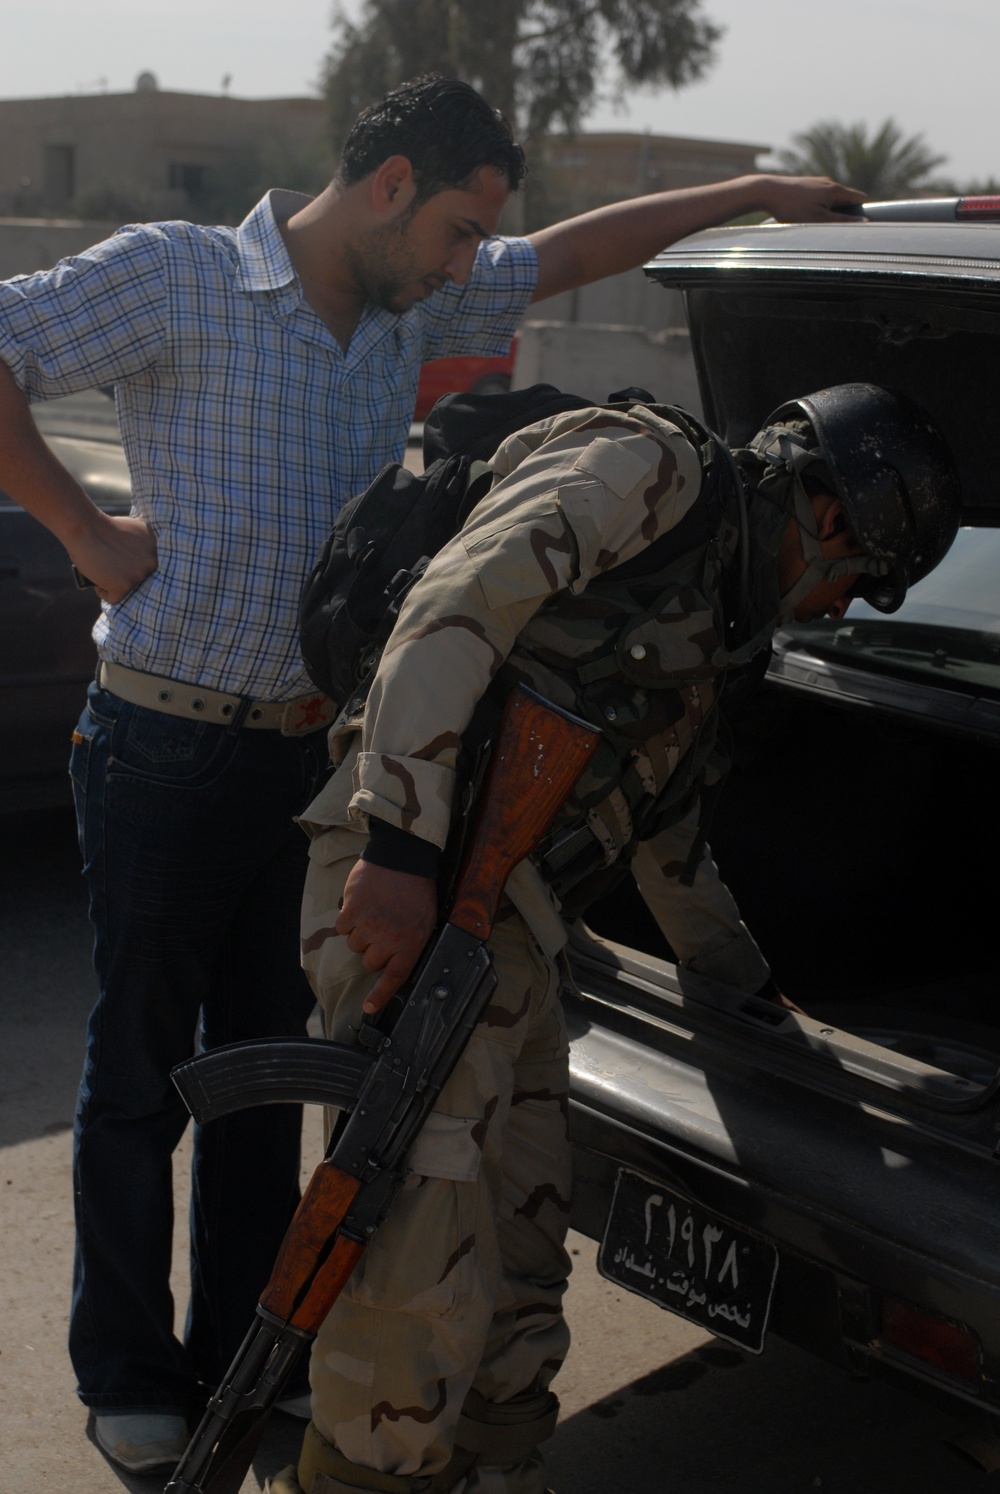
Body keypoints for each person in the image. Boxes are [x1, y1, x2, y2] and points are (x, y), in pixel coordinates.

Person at [0, 72, 863, 1475]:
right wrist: (84, 532)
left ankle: (244, 1351)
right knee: (138, 1072)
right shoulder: (177, 275)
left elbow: (581, 250)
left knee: (268, 1080)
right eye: (462, 230)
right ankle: (127, 1372)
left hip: (313, 762)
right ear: (393, 184)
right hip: (160, 743)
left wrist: (755, 193)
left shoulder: (411, 298)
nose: (476, 267)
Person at [274, 381, 961, 1494]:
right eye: (857, 584)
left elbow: (665, 833)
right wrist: (399, 852)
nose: (836, 615)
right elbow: (453, 605)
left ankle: (494, 1467)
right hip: (409, 876)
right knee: (413, 1259)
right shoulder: (645, 469)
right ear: (831, 517)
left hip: (512, 925)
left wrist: (746, 997)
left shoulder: (720, 627)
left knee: (524, 1248)